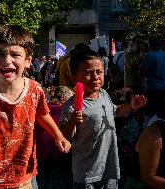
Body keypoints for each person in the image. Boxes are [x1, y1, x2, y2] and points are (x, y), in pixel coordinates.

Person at [0, 24, 71, 189]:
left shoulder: (35, 89)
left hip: (24, 177)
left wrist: (58, 135)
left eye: (15, 54)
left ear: (28, 60)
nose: (7, 61)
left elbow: (42, 114)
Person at [58, 49, 146, 189]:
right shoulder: (71, 106)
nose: (95, 77)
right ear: (74, 78)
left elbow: (115, 112)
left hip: (109, 167)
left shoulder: (104, 94)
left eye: (99, 72)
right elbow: (64, 137)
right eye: (88, 73)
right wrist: (73, 120)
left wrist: (131, 106)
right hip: (86, 173)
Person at [140, 37, 165, 117]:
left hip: (151, 87)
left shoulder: (149, 56)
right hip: (164, 88)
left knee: (150, 113)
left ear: (150, 45)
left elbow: (142, 72)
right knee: (161, 112)